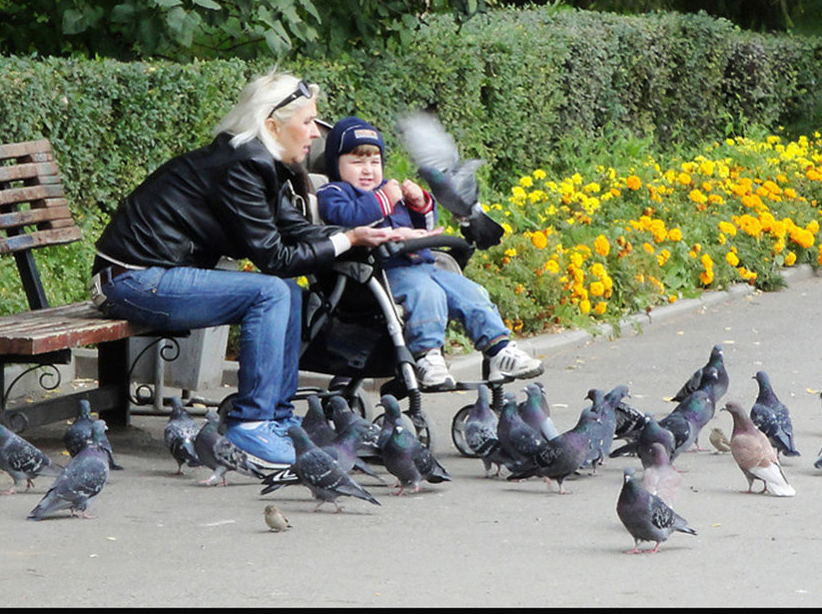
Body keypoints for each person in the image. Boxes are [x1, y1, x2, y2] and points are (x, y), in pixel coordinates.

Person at [88, 73, 402, 468]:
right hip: (130, 281)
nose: (314, 133)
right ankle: (252, 424)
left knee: (285, 292)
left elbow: (297, 230)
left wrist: (366, 233)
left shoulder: (259, 162)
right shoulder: (241, 166)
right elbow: (276, 258)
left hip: (152, 277)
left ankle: (279, 420)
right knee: (270, 290)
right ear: (272, 124)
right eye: (307, 122)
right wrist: (349, 241)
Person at [315, 116, 544, 389]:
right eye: (357, 162)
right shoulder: (334, 192)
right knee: (426, 293)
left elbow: (423, 227)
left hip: (421, 265)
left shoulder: (389, 189)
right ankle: (427, 355)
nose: (368, 170)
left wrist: (420, 203)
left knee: (470, 291)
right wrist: (385, 199)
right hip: (380, 273)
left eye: (374, 162)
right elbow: (347, 217)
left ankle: (499, 348)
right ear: (335, 164)